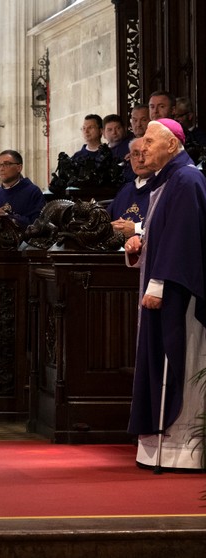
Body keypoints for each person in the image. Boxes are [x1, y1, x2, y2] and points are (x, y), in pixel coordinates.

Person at [123, 118, 206, 471]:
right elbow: (163, 230)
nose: (143, 148)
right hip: (164, 286)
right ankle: (158, 447)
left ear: (172, 146)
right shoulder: (168, 179)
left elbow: (184, 238)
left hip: (178, 293)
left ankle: (180, 453)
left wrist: (157, 284)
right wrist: (139, 241)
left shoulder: (187, 179)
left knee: (178, 362)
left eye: (150, 142)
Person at [108, 137, 155, 238]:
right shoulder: (126, 190)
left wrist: (136, 228)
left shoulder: (162, 188)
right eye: (136, 154)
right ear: (129, 158)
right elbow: (106, 219)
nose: (141, 160)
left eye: (145, 153)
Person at [0, 149, 45, 228]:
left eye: (6, 164)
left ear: (19, 168)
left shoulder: (32, 192)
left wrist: (6, 216)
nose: (1, 169)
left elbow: (37, 224)